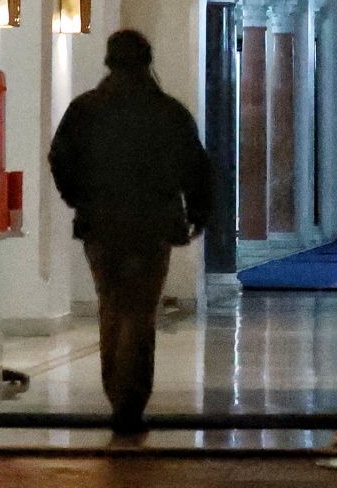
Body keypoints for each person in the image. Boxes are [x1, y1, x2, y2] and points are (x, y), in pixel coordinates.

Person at [49, 30, 211, 434]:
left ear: (109, 62)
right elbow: (195, 167)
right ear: (147, 61)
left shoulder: (84, 111)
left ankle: (117, 394)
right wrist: (198, 213)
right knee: (140, 312)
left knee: (112, 307)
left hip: (101, 226)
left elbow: (60, 159)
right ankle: (131, 401)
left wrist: (79, 199)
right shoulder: (168, 113)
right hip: (152, 226)